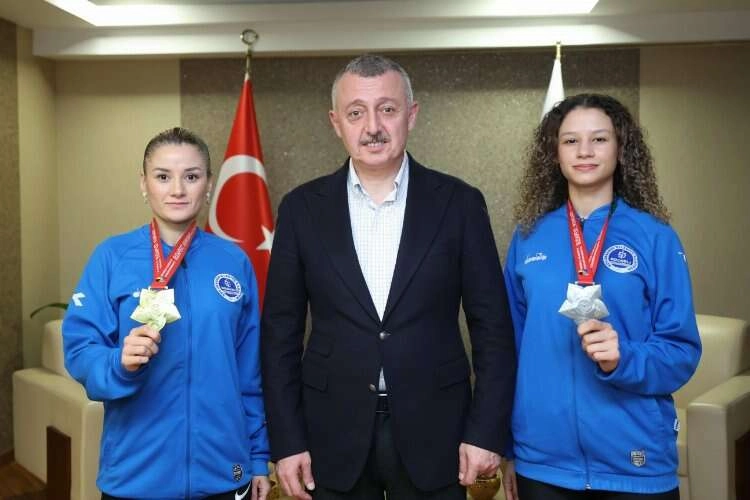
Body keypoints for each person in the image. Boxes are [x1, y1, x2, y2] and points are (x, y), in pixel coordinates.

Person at [260, 54, 517, 500]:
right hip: (329, 435)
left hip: (439, 432)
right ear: (336, 123)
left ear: (411, 115)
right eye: (356, 113)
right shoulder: (301, 209)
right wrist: (286, 441)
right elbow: (279, 334)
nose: (373, 126)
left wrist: (486, 432)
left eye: (387, 109)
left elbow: (492, 328)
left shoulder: (459, 204)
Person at [501, 93, 702, 500]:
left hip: (635, 461)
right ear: (554, 154)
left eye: (599, 139)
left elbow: (681, 351)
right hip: (542, 463)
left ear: (621, 148)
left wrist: (623, 357)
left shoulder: (655, 237)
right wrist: (508, 447)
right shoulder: (528, 237)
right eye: (570, 141)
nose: (585, 151)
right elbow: (508, 349)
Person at [63, 127, 271, 500]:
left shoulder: (234, 261)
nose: (177, 189)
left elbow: (249, 371)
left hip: (225, 470)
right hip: (136, 474)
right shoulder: (112, 257)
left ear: (209, 184)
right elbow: (79, 350)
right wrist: (117, 362)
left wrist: (257, 457)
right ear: (143, 184)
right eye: (163, 177)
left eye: (191, 176)